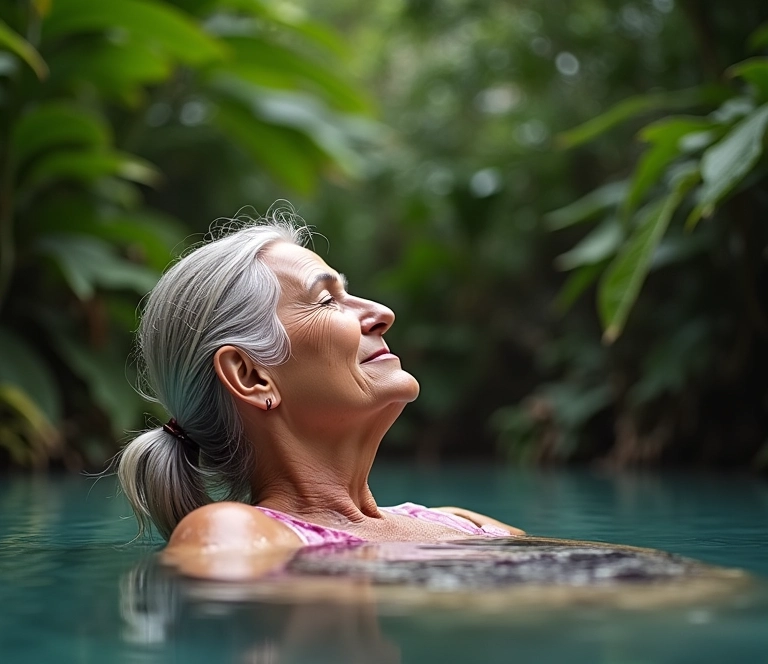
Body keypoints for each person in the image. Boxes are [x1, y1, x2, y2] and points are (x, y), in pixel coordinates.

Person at [118, 214, 523, 577]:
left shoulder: (458, 521)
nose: (382, 313)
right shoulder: (234, 532)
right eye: (327, 300)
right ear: (252, 376)